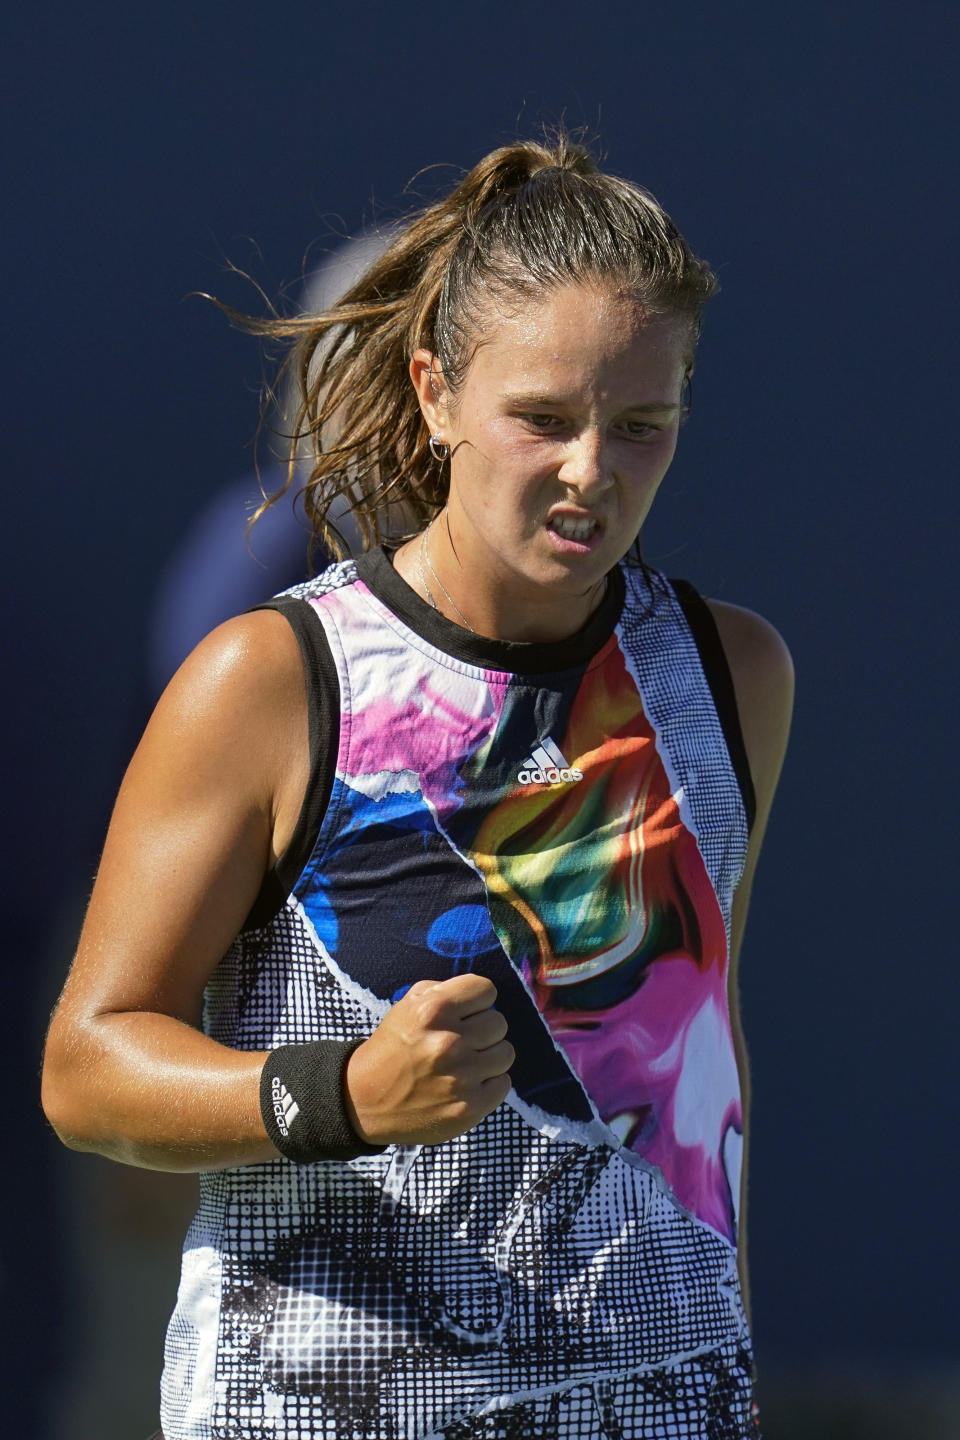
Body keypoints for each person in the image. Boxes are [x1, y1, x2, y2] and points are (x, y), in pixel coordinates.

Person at [42, 135, 793, 1439]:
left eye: (641, 426)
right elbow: (87, 1069)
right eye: (544, 419)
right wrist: (342, 1096)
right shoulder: (269, 678)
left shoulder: (735, 675)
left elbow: (703, 1069)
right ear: (436, 391)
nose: (590, 471)